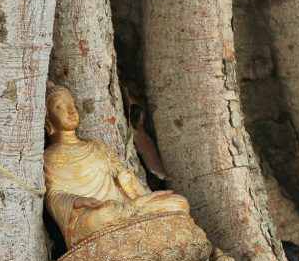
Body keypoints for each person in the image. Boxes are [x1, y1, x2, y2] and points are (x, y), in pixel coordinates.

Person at [43, 84, 189, 247]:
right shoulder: (49, 158)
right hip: (96, 216)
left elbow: (124, 178)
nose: (70, 110)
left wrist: (129, 182)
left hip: (127, 206)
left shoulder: (96, 147)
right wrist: (80, 201)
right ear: (47, 120)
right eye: (60, 106)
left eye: (72, 105)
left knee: (179, 203)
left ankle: (134, 216)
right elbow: (53, 196)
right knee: (101, 216)